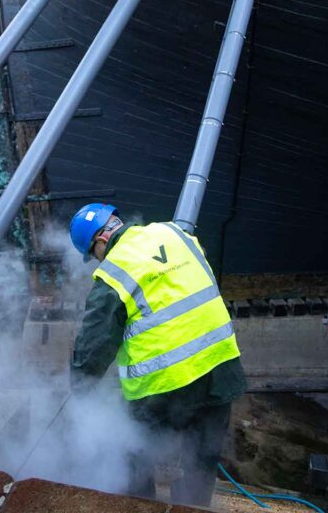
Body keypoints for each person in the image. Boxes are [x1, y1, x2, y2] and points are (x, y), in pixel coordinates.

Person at [68, 202, 247, 507]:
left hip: (164, 386)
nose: (96, 261)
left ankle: (142, 506)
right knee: (202, 456)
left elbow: (94, 346)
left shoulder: (113, 272)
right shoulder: (176, 234)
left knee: (132, 451)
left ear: (100, 242)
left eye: (92, 255)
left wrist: (79, 384)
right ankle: (193, 507)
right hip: (219, 367)